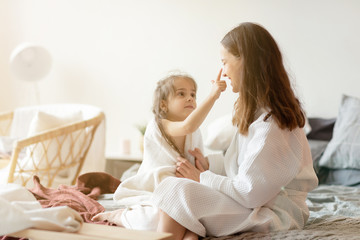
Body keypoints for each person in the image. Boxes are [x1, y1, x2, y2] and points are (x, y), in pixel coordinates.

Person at [151, 22, 319, 240]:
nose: (223, 71)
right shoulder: (258, 112)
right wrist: (209, 165)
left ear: (246, 63)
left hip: (274, 214)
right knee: (177, 194)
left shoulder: (272, 124)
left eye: (225, 62)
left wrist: (202, 177)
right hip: (259, 203)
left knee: (176, 192)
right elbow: (245, 165)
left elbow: (249, 192)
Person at [93, 72, 226, 231]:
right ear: (163, 105)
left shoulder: (195, 133)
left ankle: (190, 233)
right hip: (156, 186)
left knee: (202, 215)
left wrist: (202, 166)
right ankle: (119, 216)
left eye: (193, 94)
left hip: (182, 190)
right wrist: (213, 96)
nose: (190, 98)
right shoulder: (160, 125)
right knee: (154, 219)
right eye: (181, 94)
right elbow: (188, 126)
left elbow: (193, 166)